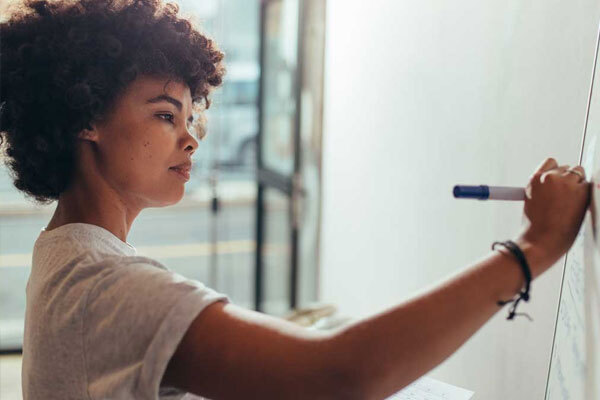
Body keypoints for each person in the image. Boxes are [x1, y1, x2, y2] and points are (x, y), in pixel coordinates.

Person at [0, 0, 591, 399]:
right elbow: (341, 374)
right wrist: (534, 247)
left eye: (189, 116)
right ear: (85, 119)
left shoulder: (65, 255)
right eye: (164, 114)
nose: (190, 136)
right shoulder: (102, 282)